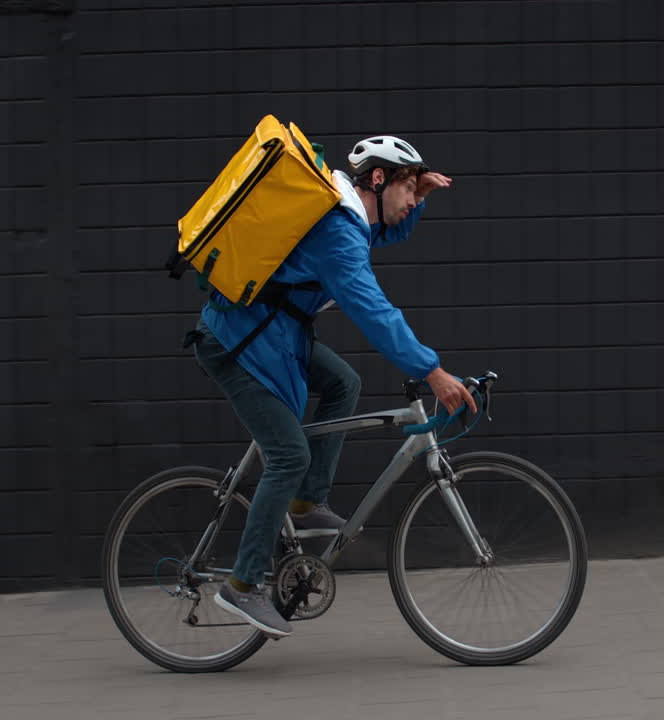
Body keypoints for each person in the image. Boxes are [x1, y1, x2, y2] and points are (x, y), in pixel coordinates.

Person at [191, 135, 478, 637]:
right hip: (237, 339)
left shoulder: (347, 215)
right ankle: (242, 584)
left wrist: (422, 197)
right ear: (378, 179)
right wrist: (432, 370)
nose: (412, 198)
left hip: (271, 333)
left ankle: (305, 504)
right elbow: (373, 311)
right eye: (408, 187)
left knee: (344, 381)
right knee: (288, 455)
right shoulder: (338, 232)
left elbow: (383, 233)